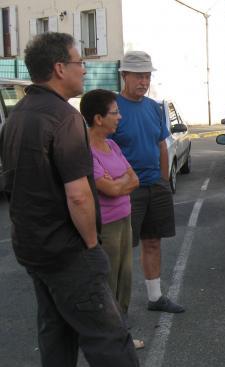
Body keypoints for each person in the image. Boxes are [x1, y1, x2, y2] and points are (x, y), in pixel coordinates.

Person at [0, 33, 138, 366]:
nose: (85, 70)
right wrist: (92, 246)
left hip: (33, 247)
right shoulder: (65, 118)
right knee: (109, 339)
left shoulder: (16, 115)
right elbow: (78, 196)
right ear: (59, 68)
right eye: (79, 63)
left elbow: (13, 184)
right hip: (68, 253)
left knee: (57, 333)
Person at [110, 51, 184, 313]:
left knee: (153, 242)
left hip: (155, 186)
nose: (144, 81)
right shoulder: (113, 108)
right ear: (124, 76)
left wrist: (163, 181)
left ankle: (155, 298)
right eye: (138, 76)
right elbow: (101, 148)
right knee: (122, 250)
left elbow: (161, 145)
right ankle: (118, 309)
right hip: (125, 190)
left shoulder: (154, 107)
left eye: (147, 76)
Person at [80, 89, 144, 349]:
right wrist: (119, 183)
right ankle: (111, 341)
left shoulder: (113, 145)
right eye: (115, 113)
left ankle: (121, 336)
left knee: (124, 280)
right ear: (98, 118)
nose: (119, 117)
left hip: (124, 220)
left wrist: (117, 182)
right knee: (108, 284)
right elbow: (112, 189)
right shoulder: (86, 150)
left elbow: (134, 179)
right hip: (105, 226)